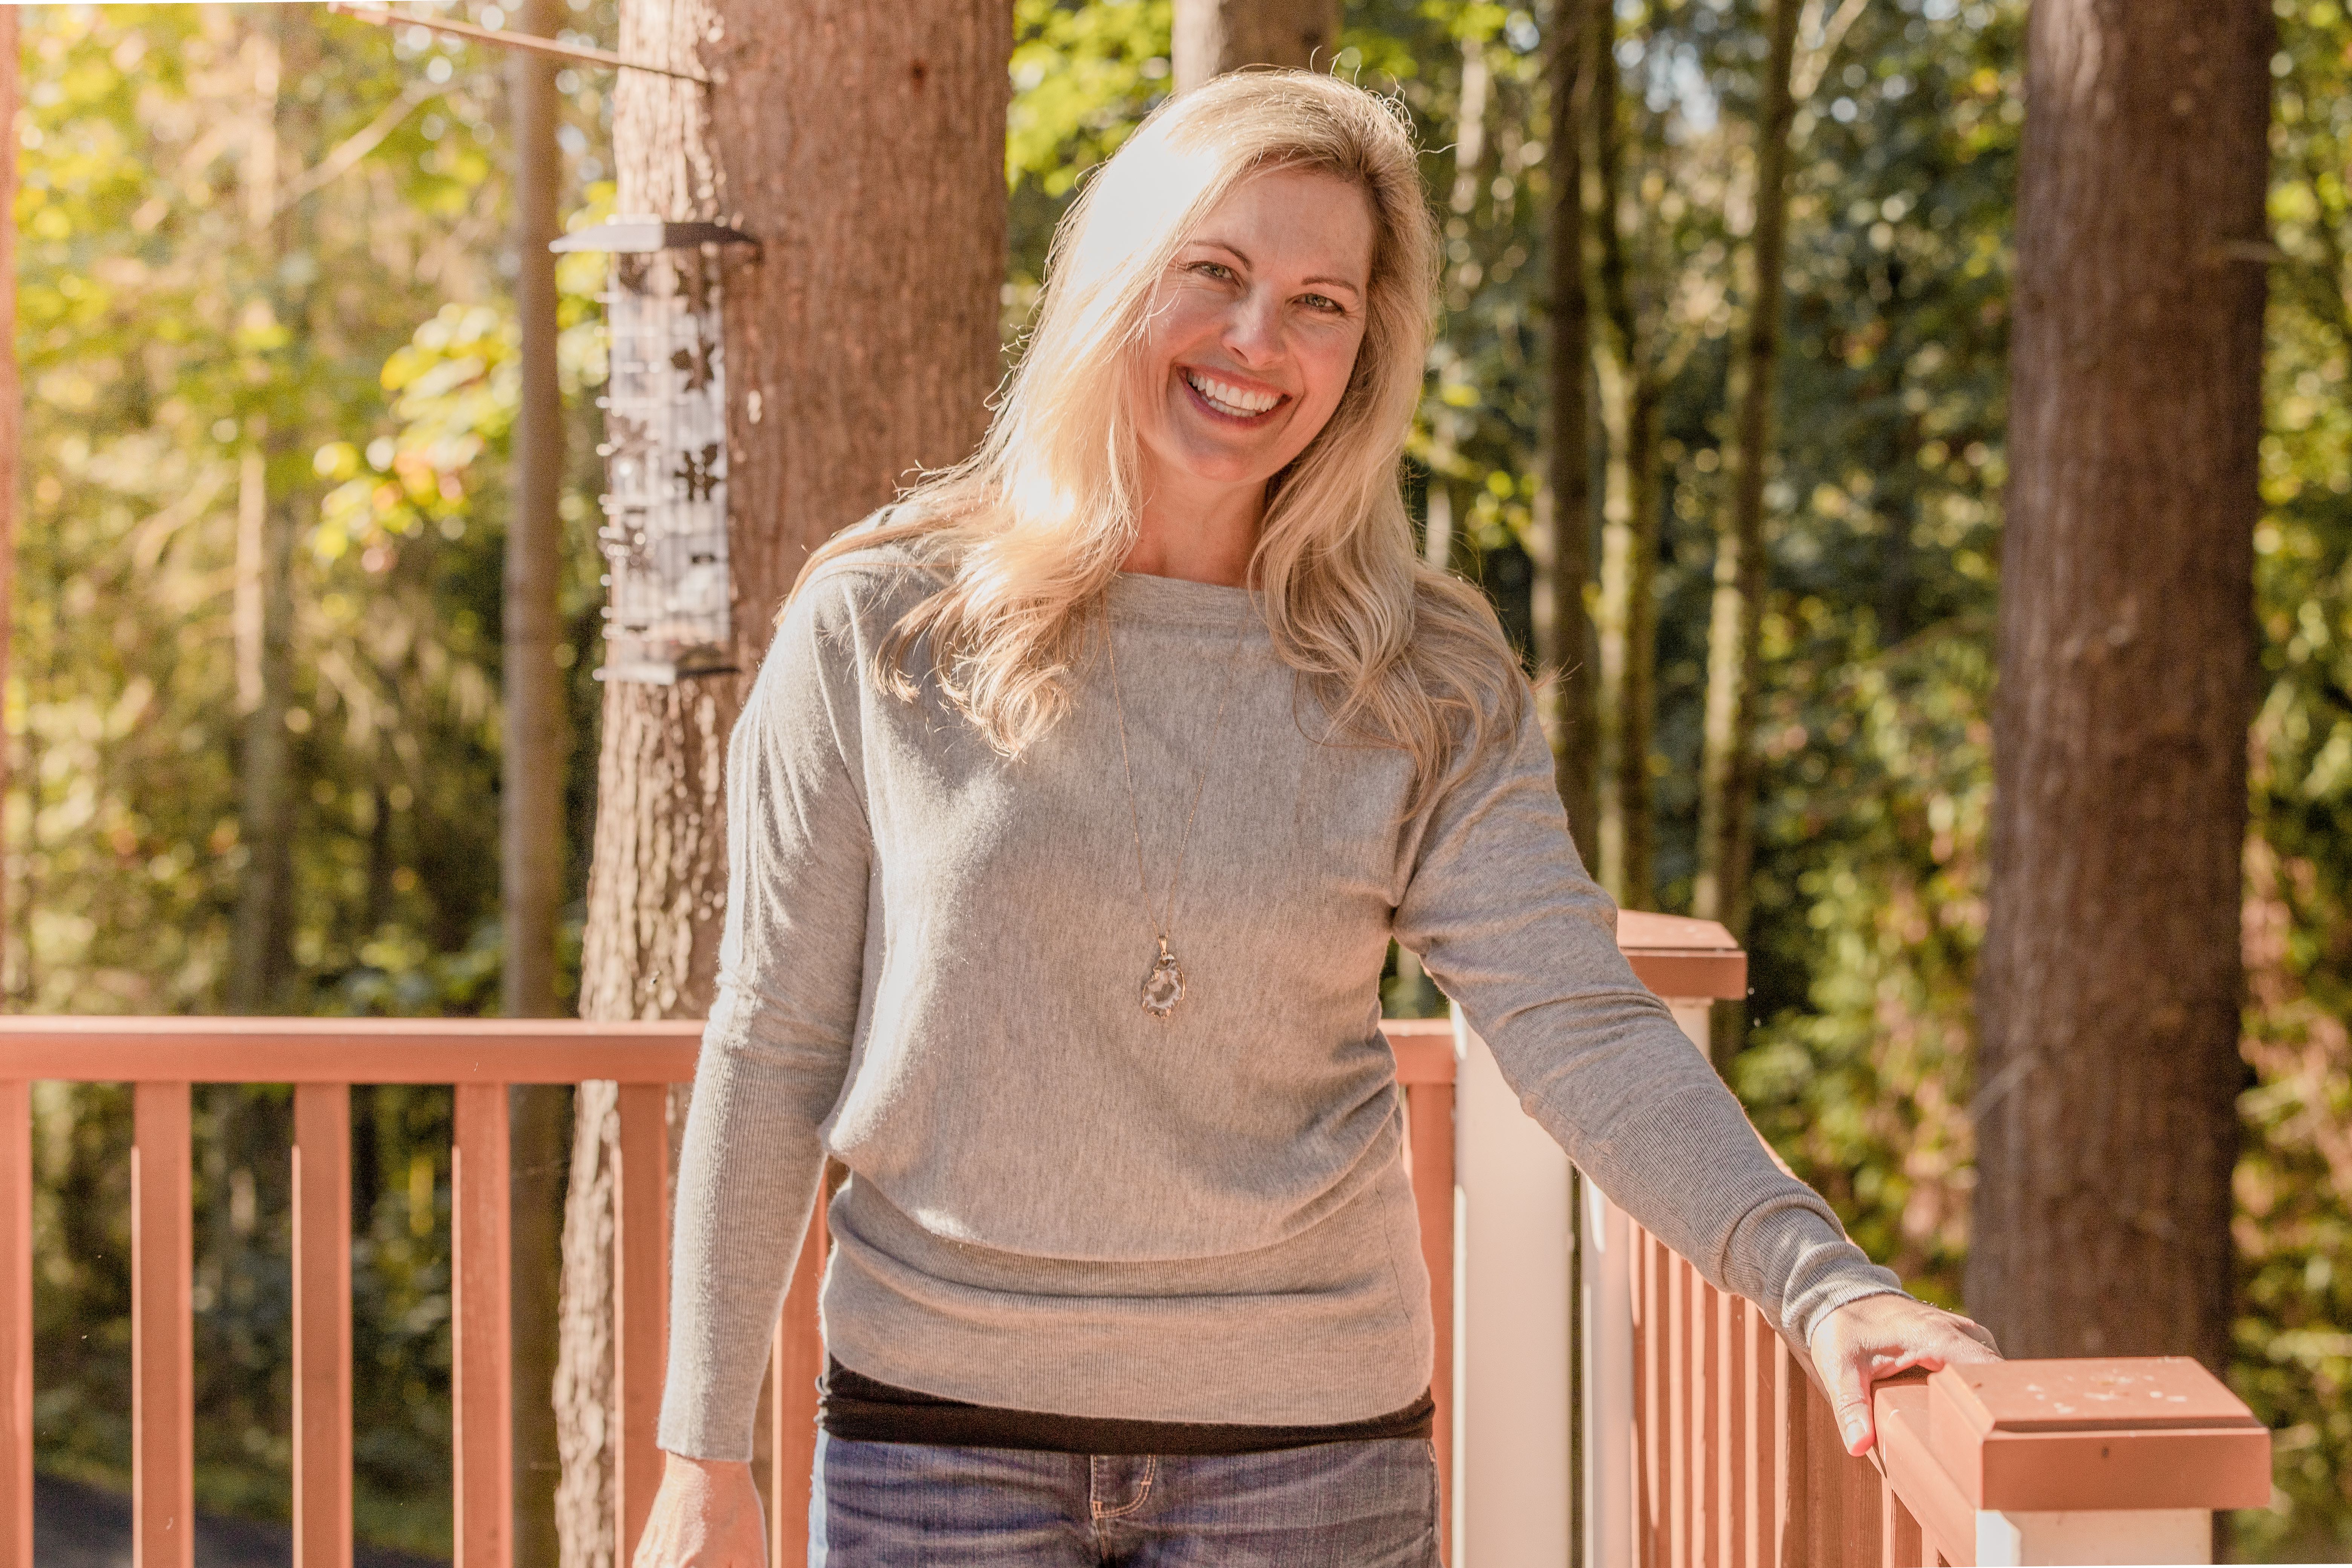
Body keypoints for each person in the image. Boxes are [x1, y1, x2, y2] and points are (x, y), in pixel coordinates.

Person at [634, 69, 1995, 1568]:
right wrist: (704, 1453)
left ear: (1369, 347)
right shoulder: (881, 625)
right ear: (1115, 282)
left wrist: (1823, 1285)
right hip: (934, 1445)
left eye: (1320, 301)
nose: (1255, 341)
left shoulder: (1426, 675)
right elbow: (770, 1041)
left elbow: (1578, 1019)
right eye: (1211, 273)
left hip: (1307, 1466)